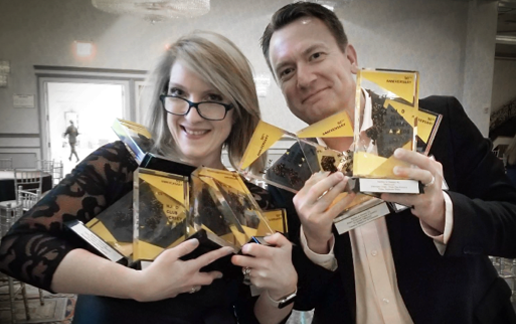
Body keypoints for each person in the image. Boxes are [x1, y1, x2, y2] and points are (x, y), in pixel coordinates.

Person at [0, 31, 297, 324]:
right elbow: (17, 247)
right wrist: (138, 285)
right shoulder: (120, 163)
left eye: (213, 98)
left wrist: (283, 289)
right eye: (179, 94)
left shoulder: (252, 200)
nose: (191, 116)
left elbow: (254, 316)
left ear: (238, 111)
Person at [260, 2, 516, 324]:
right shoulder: (286, 173)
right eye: (286, 70)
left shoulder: (435, 121)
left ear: (350, 58)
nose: (305, 78)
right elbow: (304, 297)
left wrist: (442, 211)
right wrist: (315, 243)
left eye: (315, 55)